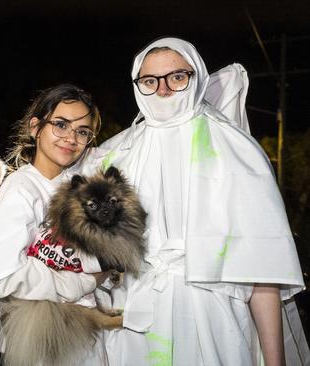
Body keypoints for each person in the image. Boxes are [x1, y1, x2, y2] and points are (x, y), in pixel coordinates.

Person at [82, 37, 306, 365]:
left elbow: (263, 267)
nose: (163, 90)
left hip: (214, 320)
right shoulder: (117, 153)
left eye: (176, 77)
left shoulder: (234, 149)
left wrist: (275, 361)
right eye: (149, 80)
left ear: (197, 76)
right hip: (131, 320)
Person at [0, 84, 111, 364]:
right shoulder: (22, 188)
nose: (71, 138)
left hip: (81, 334)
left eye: (82, 131)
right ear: (36, 127)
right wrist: (80, 283)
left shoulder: (79, 189)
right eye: (61, 125)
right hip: (39, 342)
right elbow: (3, 276)